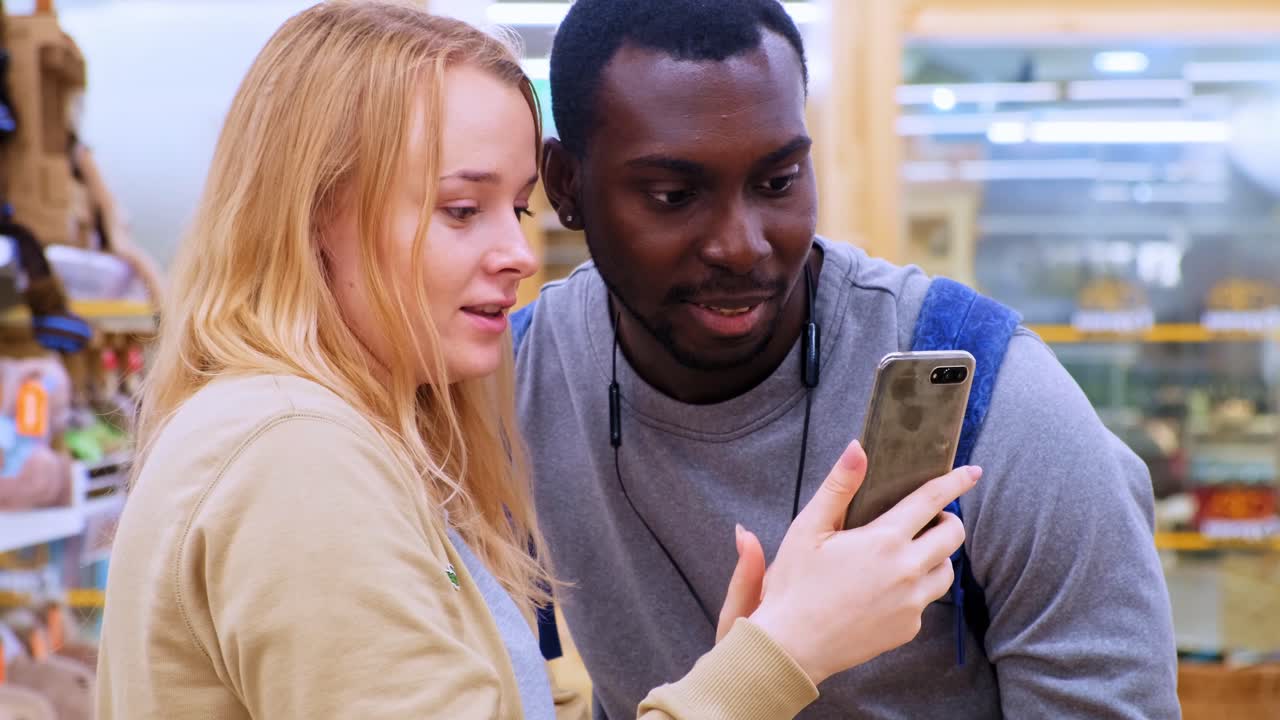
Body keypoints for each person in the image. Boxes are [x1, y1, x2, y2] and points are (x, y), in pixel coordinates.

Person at [95, 2, 977, 719]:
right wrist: (783, 655)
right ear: (316, 215)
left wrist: (745, 658)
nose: (519, 253)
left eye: (514, 208)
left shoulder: (355, 436)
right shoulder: (295, 455)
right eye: (458, 209)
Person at [513, 0, 1181, 718]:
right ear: (566, 185)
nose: (740, 245)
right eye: (674, 195)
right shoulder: (508, 389)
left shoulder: (996, 400)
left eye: (777, 183)